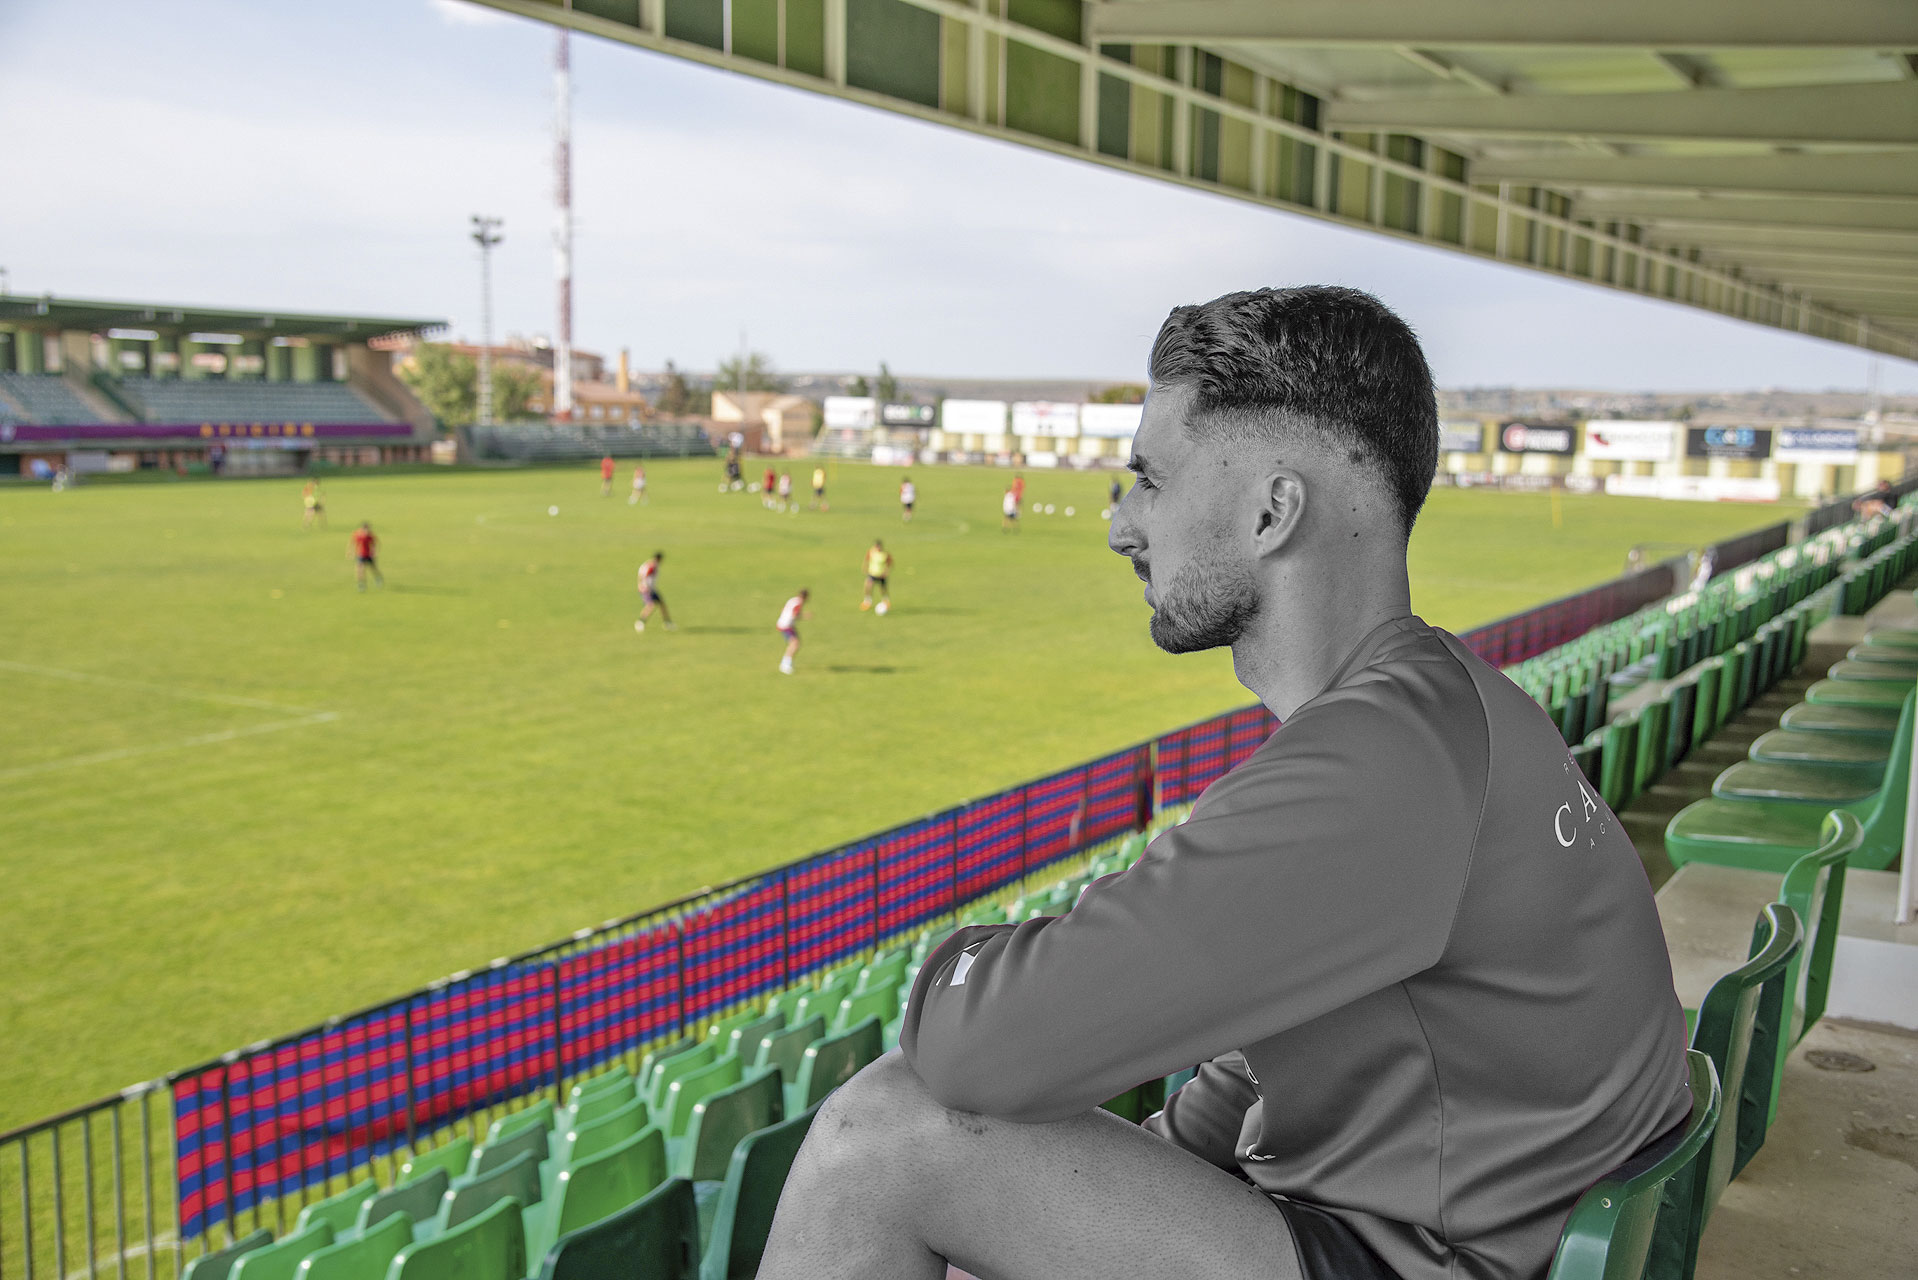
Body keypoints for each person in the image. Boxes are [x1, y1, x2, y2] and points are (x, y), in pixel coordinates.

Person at [757, 287, 1691, 1280]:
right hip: (1465, 1226)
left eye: (1149, 480)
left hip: (1436, 1255)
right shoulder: (1445, 704)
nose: (1121, 526)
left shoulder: (1376, 764)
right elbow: (1285, 1038)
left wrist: (959, 963)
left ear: (1271, 509)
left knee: (883, 1134)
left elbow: (973, 1049)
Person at [635, 551, 674, 631]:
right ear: (658, 559)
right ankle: (640, 622)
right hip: (647, 589)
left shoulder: (648, 564)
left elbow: (640, 575)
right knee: (651, 605)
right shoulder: (652, 566)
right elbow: (644, 576)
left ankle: (667, 622)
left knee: (662, 604)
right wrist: (642, 586)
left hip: (651, 588)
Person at [776, 588, 808, 674]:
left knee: (795, 643)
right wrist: (805, 616)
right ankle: (785, 664)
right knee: (795, 643)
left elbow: (783, 609)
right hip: (786, 626)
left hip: (785, 624)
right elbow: (794, 615)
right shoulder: (798, 604)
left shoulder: (792, 600)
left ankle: (787, 662)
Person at [861, 540, 893, 611]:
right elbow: (866, 560)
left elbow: (889, 563)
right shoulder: (871, 552)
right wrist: (865, 568)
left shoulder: (885, 554)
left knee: (883, 589)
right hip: (872, 573)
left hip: (881, 575)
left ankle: (886, 601)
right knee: (868, 586)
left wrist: (886, 572)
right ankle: (867, 601)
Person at [351, 521, 383, 591]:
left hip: (369, 555)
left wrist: (374, 552)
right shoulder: (358, 535)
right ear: (363, 528)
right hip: (361, 555)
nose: (368, 530)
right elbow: (354, 543)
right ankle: (361, 584)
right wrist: (352, 552)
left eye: (369, 529)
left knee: (373, 568)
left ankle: (378, 578)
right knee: (360, 569)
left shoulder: (370, 536)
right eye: (366, 528)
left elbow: (375, 544)